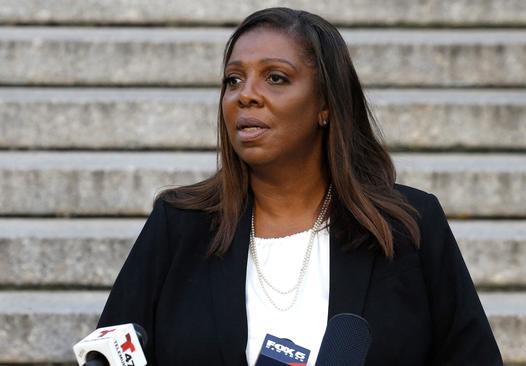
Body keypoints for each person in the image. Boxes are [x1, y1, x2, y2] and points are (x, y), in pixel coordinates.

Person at [97, 7, 503, 366]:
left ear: (325, 104)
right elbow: (112, 349)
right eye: (233, 80)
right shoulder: (180, 224)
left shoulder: (407, 226)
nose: (246, 96)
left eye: (275, 77)